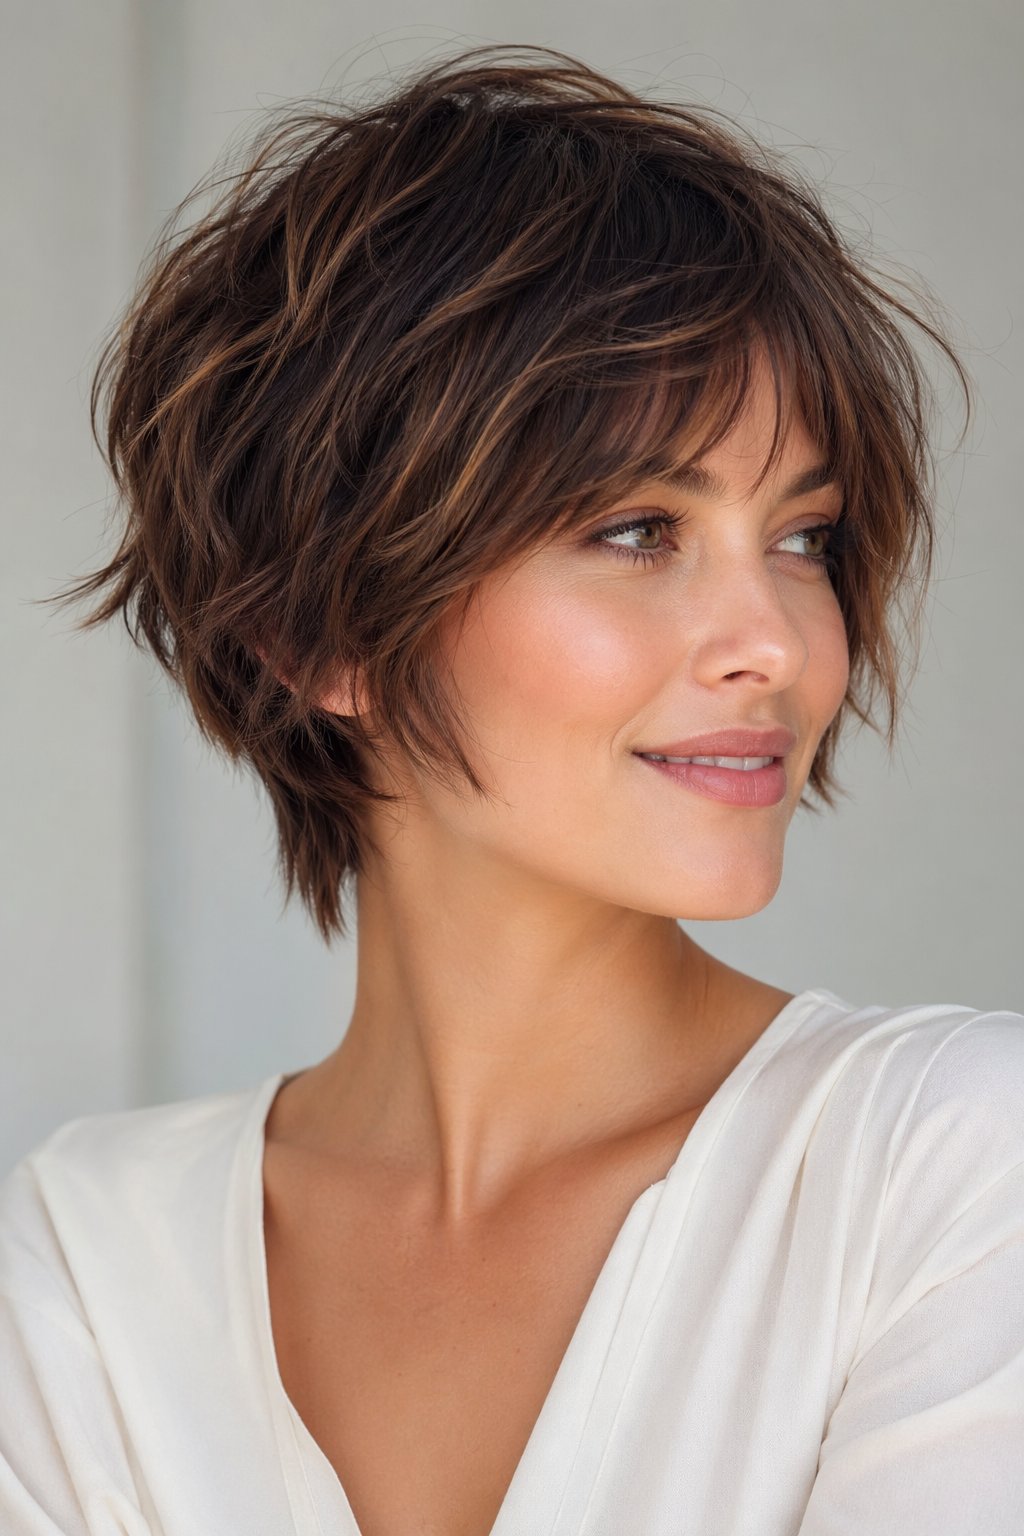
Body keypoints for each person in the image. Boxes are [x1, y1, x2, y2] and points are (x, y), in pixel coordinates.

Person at [1, 43, 1021, 1536]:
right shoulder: (88, 1264)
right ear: (319, 629)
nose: (777, 644)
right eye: (637, 529)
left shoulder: (952, 1165)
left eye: (803, 538)